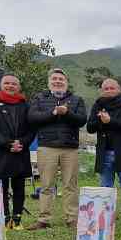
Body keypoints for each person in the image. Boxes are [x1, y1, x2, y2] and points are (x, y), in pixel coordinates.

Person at [26, 68, 87, 230]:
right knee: (46, 185)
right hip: (47, 147)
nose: (58, 81)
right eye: (55, 79)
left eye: (61, 79)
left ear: (66, 83)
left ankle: (72, 219)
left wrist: (67, 113)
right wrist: (53, 112)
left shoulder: (77, 99)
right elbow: (32, 118)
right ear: (49, 82)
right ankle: (43, 219)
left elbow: (82, 120)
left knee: (70, 185)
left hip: (70, 148)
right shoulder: (39, 98)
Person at [0, 74, 35, 230]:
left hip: (20, 151)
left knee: (19, 186)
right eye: (7, 83)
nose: (10, 86)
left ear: (18, 87)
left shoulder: (25, 105)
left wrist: (22, 143)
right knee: (0, 187)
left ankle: (17, 219)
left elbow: (32, 129)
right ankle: (4, 219)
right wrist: (7, 143)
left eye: (14, 84)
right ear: (1, 85)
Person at [86, 78, 121, 229]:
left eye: (112, 88)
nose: (108, 91)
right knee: (105, 188)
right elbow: (90, 127)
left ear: (118, 89)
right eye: (106, 88)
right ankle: (105, 219)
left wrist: (111, 121)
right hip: (105, 152)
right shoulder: (98, 104)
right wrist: (100, 121)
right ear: (102, 90)